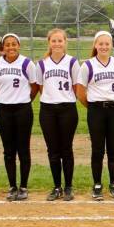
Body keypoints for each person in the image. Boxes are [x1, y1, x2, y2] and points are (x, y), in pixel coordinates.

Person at [76, 31, 114, 201]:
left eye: (107, 44)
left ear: (111, 46)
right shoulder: (88, 65)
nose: (104, 47)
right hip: (96, 110)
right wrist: (92, 105)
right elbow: (80, 91)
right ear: (95, 45)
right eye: (101, 44)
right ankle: (97, 184)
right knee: (97, 149)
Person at [0, 33, 38, 201]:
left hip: (23, 109)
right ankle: (12, 186)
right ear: (3, 47)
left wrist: (23, 100)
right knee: (8, 151)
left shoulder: (26, 63)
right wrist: (5, 99)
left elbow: (34, 87)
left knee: (23, 149)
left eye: (14, 44)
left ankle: (23, 186)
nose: (11, 47)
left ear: (19, 45)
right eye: (7, 44)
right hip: (4, 110)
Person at [36, 28, 79, 201]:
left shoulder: (72, 62)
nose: (57, 44)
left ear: (65, 42)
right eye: (53, 41)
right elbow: (40, 87)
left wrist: (63, 98)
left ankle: (68, 187)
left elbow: (76, 87)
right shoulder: (42, 64)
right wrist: (51, 98)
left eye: (60, 40)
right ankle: (56, 186)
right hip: (47, 109)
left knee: (66, 149)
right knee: (52, 150)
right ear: (49, 43)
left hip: (67, 108)